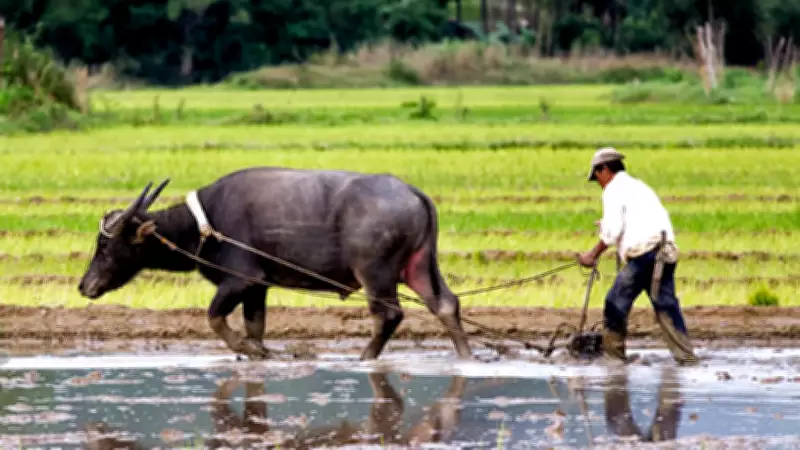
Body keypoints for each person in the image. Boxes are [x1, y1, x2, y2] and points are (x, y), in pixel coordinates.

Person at [577, 147, 698, 366]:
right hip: (665, 253)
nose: (599, 183)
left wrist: (591, 255)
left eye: (597, 178)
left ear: (604, 169)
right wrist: (606, 226)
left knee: (615, 303)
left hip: (644, 255)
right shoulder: (639, 187)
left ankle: (614, 361)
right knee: (666, 307)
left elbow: (613, 231)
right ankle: (687, 358)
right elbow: (637, 221)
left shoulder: (613, 189)